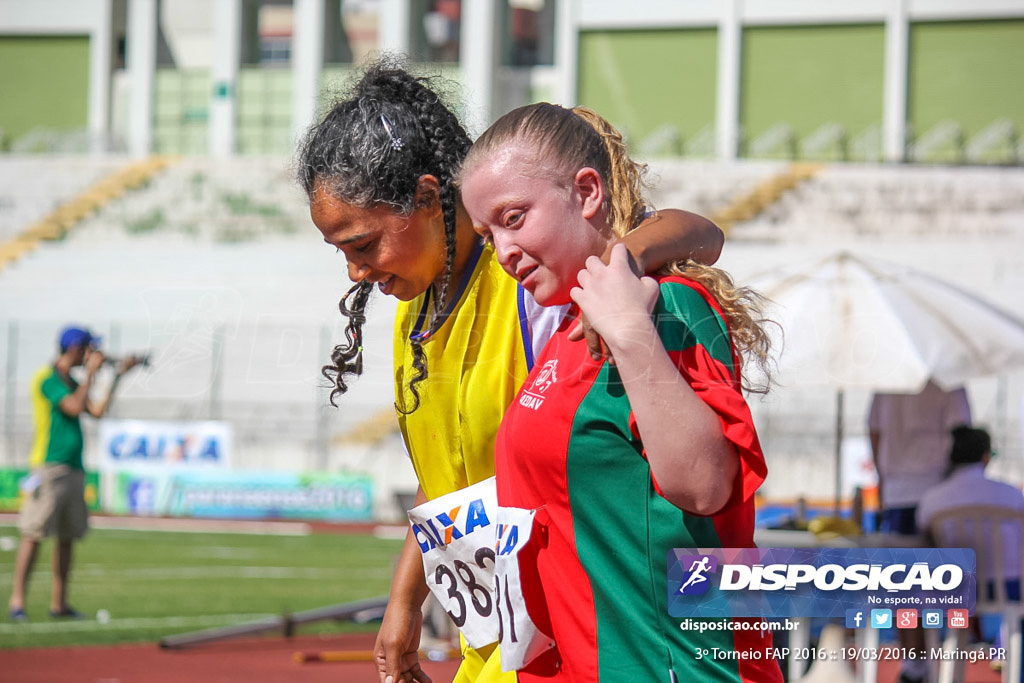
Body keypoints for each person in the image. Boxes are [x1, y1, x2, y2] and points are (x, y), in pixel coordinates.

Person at [296, 59, 725, 683]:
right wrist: (405, 600)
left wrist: (622, 266)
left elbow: (700, 231)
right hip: (495, 648)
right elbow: (454, 479)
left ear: (423, 197)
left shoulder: (528, 279)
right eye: (341, 253)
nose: (356, 272)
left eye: (363, 245)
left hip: (580, 639)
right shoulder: (414, 313)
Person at [457, 102, 781, 681]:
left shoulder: (665, 305)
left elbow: (707, 486)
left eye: (515, 218)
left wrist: (631, 331)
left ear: (587, 192)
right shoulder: (567, 324)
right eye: (488, 234)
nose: (503, 252)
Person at [8, 326, 139, 622]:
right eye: (88, 349)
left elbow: (96, 411)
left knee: (67, 537)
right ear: (75, 348)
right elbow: (74, 407)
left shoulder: (71, 380)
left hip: (74, 467)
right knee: (34, 533)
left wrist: (117, 376)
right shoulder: (47, 378)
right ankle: (17, 601)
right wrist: (92, 374)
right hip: (49, 467)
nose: (91, 354)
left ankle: (59, 604)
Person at [918, 425, 1024, 683]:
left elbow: (925, 546)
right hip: (1010, 592)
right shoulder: (1013, 496)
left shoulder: (933, 499)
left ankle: (928, 671)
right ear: (986, 457)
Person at [868, 380, 972, 535]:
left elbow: (875, 432)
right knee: (936, 558)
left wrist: (882, 479)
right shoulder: (948, 381)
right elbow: (962, 435)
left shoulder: (888, 381)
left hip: (896, 491)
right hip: (937, 489)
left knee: (900, 557)